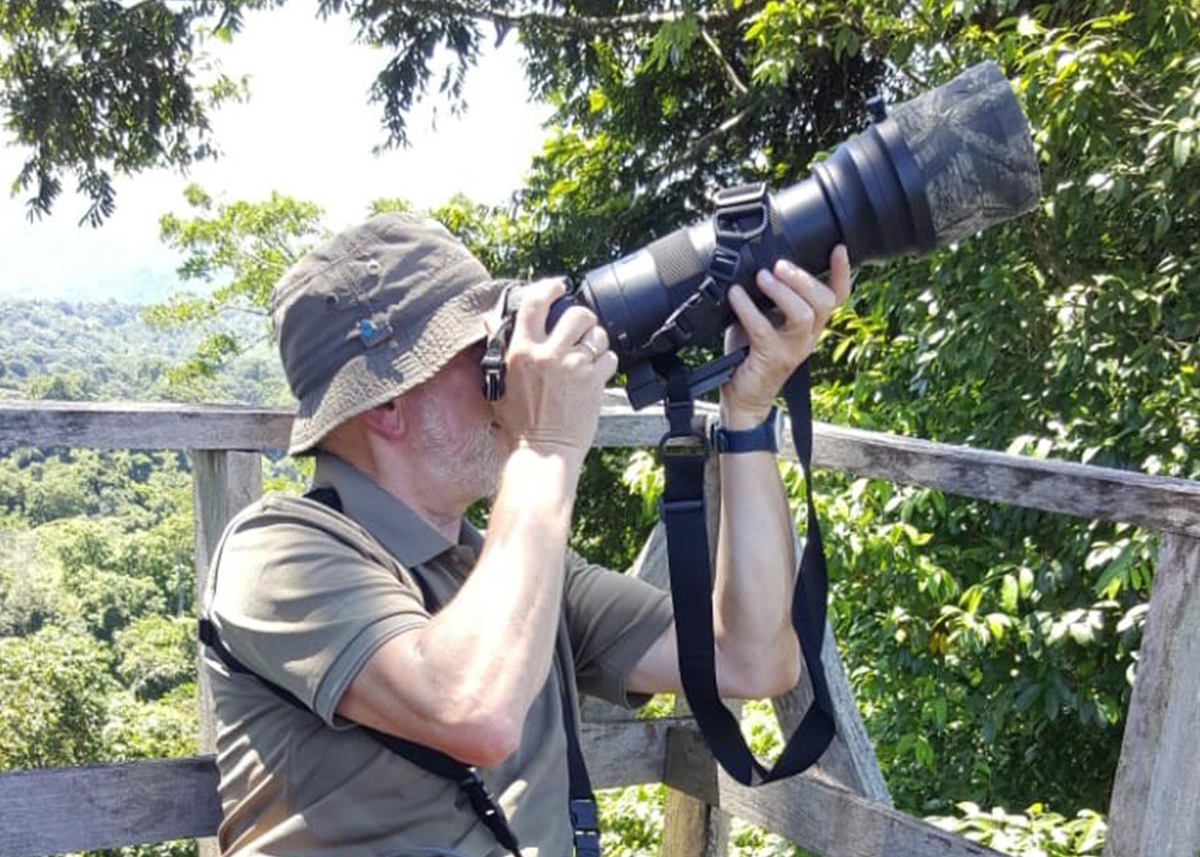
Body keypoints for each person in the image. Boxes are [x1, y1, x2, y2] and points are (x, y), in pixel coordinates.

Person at [201, 212, 851, 856]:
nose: (510, 378)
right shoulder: (276, 550)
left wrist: (747, 413)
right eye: (485, 352)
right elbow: (470, 709)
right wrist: (544, 445)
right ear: (387, 405)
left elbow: (752, 659)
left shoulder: (510, 572)